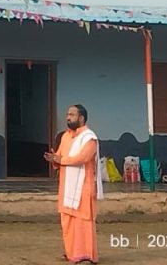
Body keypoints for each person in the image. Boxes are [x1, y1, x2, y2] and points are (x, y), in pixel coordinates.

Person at [44, 104, 102, 264]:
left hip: (83, 187)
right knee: (67, 220)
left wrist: (61, 160)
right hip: (66, 186)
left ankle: (86, 255)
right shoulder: (65, 137)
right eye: (67, 114)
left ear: (81, 118)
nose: (67, 117)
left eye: (71, 114)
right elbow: (60, 156)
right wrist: (53, 158)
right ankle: (71, 253)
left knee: (82, 221)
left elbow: (83, 158)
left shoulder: (90, 138)